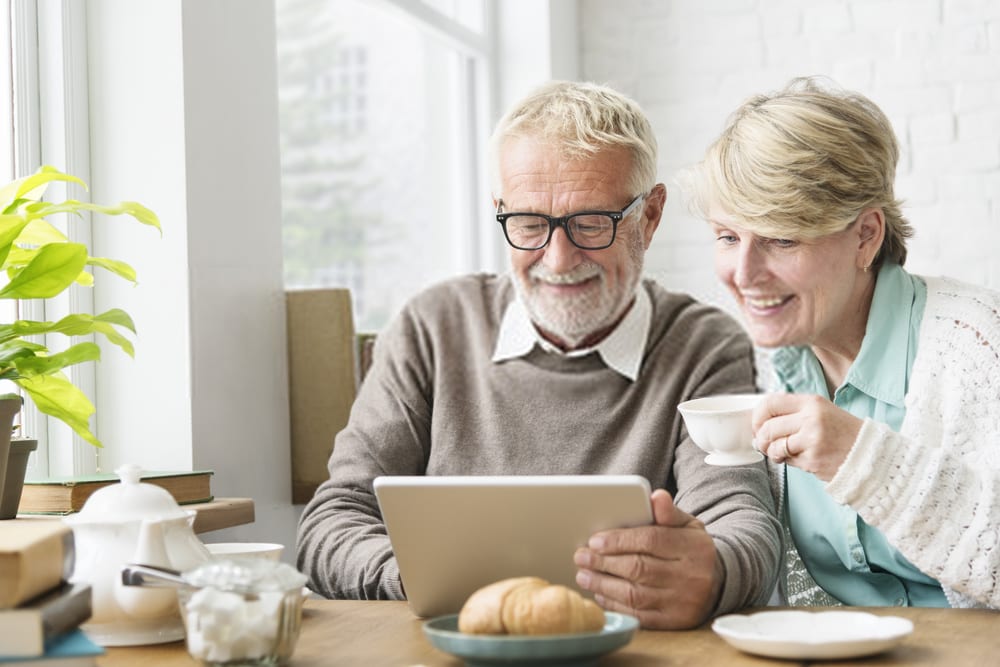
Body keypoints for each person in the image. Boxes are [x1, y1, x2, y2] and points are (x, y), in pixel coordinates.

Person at [297, 80, 781, 629]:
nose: (558, 258)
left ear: (649, 217)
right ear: (501, 212)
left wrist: (713, 574)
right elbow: (331, 523)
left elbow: (740, 524)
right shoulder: (432, 327)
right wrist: (427, 579)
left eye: (591, 223)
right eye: (529, 224)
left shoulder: (704, 344)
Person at [681, 75, 1000, 609]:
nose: (743, 274)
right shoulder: (758, 367)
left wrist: (864, 459)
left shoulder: (977, 346)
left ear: (866, 236)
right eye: (728, 237)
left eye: (782, 238)